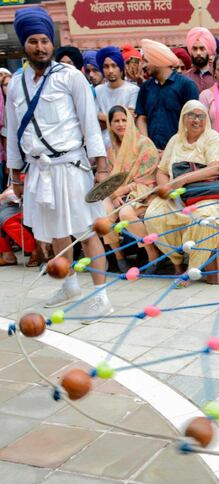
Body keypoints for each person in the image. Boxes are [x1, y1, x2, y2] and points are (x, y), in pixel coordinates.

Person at [7, 7, 112, 320]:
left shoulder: (71, 78)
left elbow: (90, 126)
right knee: (54, 234)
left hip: (72, 167)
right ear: (24, 45)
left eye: (44, 41)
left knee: (88, 231)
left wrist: (102, 167)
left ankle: (100, 296)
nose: (40, 47)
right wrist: (14, 175)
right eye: (33, 42)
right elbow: (13, 131)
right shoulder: (15, 83)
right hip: (39, 171)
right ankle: (69, 286)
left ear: (52, 43)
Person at [144, 100, 219, 286]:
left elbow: (216, 169)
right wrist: (166, 188)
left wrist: (185, 179)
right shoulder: (175, 140)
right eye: (191, 115)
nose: (196, 120)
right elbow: (162, 170)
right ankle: (177, 260)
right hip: (178, 197)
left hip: (209, 197)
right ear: (183, 118)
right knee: (153, 215)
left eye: (200, 116)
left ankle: (192, 269)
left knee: (204, 218)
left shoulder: (212, 138)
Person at [102, 106, 160, 271]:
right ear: (110, 125)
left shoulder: (144, 143)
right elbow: (111, 178)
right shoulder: (112, 150)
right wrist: (115, 195)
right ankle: (119, 256)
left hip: (144, 190)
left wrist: (125, 189)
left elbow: (149, 175)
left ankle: (152, 253)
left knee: (125, 213)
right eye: (116, 121)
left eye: (124, 120)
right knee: (103, 212)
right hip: (118, 191)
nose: (120, 124)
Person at [135, 39, 199, 150]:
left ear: (157, 60)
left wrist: (173, 148)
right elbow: (141, 118)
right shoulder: (145, 88)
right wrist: (148, 146)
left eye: (146, 61)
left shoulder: (186, 85)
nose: (143, 66)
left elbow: (193, 121)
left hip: (180, 152)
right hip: (153, 153)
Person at [95, 46, 140, 146]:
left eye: (114, 66)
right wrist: (119, 119)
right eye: (106, 67)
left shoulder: (133, 90)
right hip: (103, 144)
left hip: (127, 143)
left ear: (120, 68)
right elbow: (95, 119)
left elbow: (130, 118)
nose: (110, 70)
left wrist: (105, 118)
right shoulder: (98, 90)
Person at [0, 184, 37, 266]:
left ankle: (35, 250)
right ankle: (7, 255)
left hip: (30, 200)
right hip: (16, 200)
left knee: (6, 219)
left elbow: (20, 184)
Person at [185, 26, 216, 93]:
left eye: (202, 49)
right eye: (195, 49)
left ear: (208, 50)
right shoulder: (185, 78)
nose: (198, 53)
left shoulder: (217, 76)